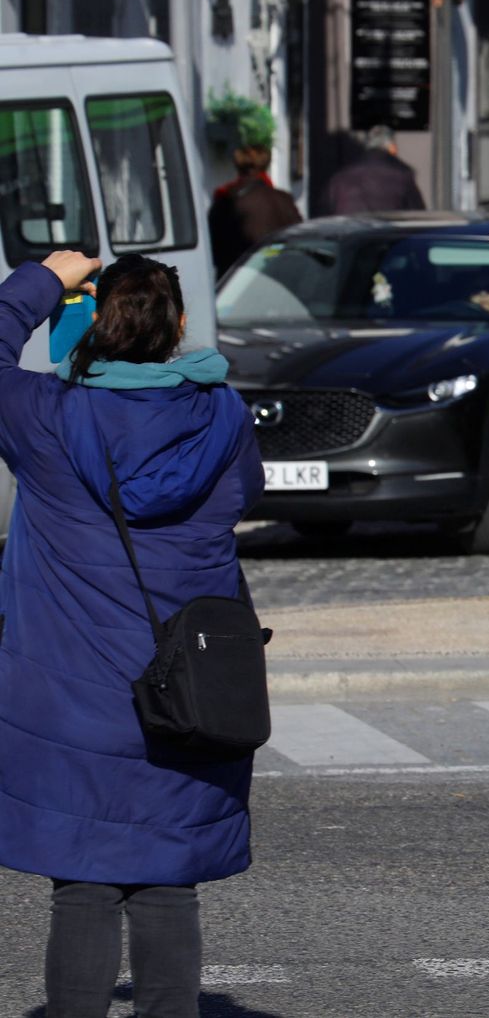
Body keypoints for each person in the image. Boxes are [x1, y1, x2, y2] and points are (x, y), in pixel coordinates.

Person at [0, 251, 264, 1017]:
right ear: (179, 328)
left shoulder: (47, 418)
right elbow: (244, 490)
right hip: (189, 683)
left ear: (97, 326)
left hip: (69, 698)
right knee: (166, 881)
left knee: (82, 884)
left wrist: (48, 277)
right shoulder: (222, 415)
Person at [207, 142, 302, 277]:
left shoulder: (226, 199)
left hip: (236, 282)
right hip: (278, 279)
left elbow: (214, 250)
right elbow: (298, 240)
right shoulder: (284, 199)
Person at [324, 124, 426, 215]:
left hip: (348, 234)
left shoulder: (340, 178)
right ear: (392, 147)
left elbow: (323, 213)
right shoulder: (402, 176)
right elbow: (418, 215)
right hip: (387, 235)